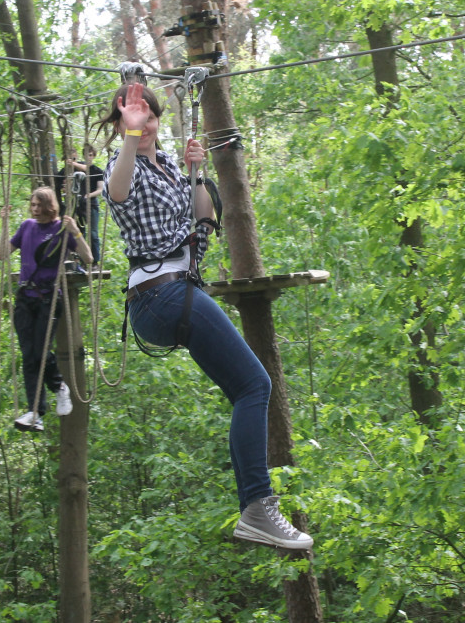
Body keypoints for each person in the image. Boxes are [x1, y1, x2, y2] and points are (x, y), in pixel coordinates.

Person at [100, 80, 313, 551]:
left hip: (179, 291)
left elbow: (202, 220)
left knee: (248, 389)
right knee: (256, 385)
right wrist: (132, 138)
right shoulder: (123, 163)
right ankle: (258, 507)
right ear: (120, 125)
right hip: (160, 294)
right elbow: (116, 194)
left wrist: (195, 172)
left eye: (151, 116)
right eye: (134, 118)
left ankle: (256, 509)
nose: (146, 123)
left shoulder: (170, 165)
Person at [0, 187, 92, 432]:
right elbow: (3, 254)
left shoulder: (61, 230)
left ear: (51, 207)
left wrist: (76, 233)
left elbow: (88, 258)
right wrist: (4, 226)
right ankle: (35, 412)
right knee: (29, 356)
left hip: (48, 298)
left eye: (40, 206)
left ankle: (60, 386)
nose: (35, 210)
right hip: (25, 298)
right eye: (33, 206)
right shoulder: (26, 227)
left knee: (41, 351)